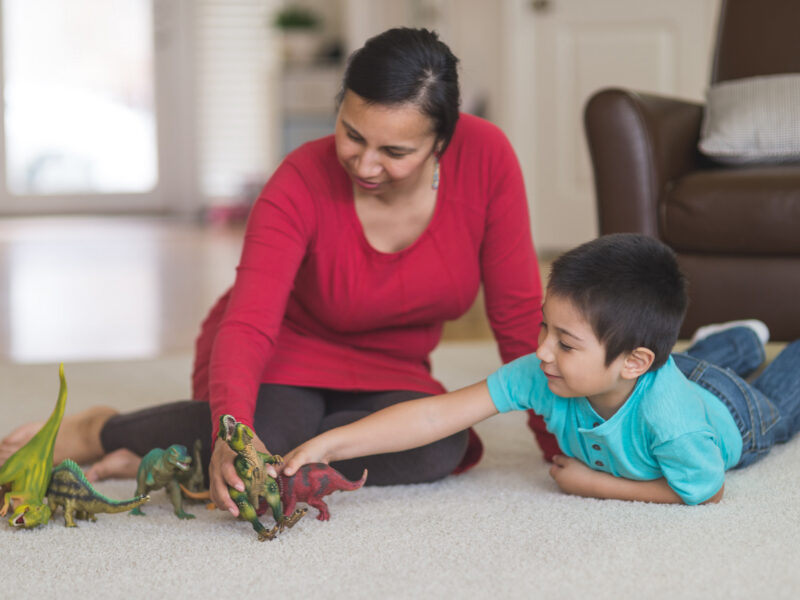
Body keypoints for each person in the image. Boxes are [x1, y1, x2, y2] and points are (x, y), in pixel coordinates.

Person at [0, 27, 560, 515]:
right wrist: (230, 434)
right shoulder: (298, 179)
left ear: (443, 142)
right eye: (353, 134)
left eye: (395, 151)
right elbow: (249, 323)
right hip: (284, 351)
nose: (365, 165)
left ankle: (174, 452)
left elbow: (515, 316)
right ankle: (103, 430)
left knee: (441, 447)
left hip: (391, 367)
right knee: (253, 450)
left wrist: (558, 444)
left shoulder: (489, 160)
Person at [279, 233, 800, 505]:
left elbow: (705, 490)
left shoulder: (674, 422)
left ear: (633, 362)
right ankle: (731, 343)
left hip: (730, 412)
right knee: (690, 365)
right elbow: (439, 416)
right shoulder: (547, 372)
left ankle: (745, 350)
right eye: (543, 328)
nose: (543, 351)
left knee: (779, 409)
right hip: (666, 370)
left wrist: (596, 485)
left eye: (565, 343)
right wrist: (333, 443)